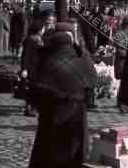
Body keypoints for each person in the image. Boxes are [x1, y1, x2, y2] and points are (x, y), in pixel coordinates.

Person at [27, 22, 97, 168]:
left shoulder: (45, 59)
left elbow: (35, 90)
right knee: (73, 152)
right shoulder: (81, 60)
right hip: (75, 114)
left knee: (48, 152)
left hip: (51, 114)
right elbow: (91, 84)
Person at [20, 20, 46, 117]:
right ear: (38, 30)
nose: (44, 30)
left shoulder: (38, 39)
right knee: (32, 89)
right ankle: (30, 108)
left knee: (34, 89)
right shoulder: (31, 40)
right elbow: (25, 56)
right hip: (32, 68)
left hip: (37, 67)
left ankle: (33, 107)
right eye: (43, 28)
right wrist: (24, 69)